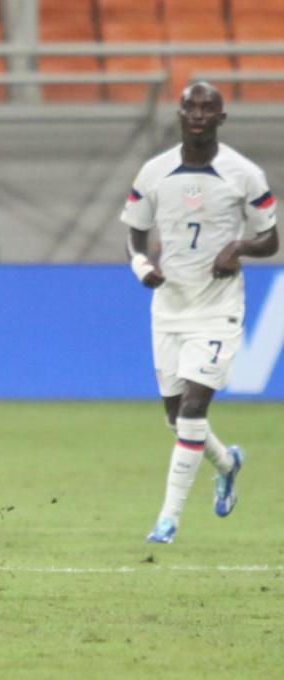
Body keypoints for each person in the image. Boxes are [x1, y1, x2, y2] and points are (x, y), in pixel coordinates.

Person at [123, 82, 279, 544]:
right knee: (177, 418)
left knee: (193, 408)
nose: (198, 114)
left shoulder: (243, 173)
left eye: (208, 108)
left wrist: (240, 246)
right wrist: (140, 264)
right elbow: (135, 230)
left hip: (218, 309)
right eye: (191, 106)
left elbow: (271, 238)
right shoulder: (154, 172)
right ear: (179, 114)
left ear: (221, 119)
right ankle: (228, 464)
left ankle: (167, 520)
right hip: (168, 308)